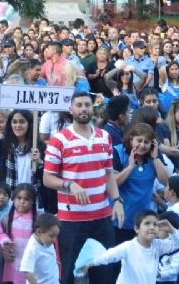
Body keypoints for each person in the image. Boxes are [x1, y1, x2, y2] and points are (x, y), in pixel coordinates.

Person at [42, 92, 124, 284]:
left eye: (87, 104)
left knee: (104, 273)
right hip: (71, 220)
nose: (83, 108)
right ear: (71, 109)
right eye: (78, 105)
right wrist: (68, 185)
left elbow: (108, 174)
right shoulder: (59, 140)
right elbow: (47, 178)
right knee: (70, 273)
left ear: (92, 108)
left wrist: (118, 200)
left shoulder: (104, 137)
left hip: (102, 217)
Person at [79, 210, 179, 284]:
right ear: (137, 229)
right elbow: (109, 255)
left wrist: (171, 230)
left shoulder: (158, 245)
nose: (151, 227)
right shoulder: (128, 247)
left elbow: (178, 243)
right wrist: (90, 264)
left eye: (155, 224)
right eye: (147, 223)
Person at [19, 213, 61, 284]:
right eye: (51, 236)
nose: (54, 240)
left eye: (56, 236)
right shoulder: (32, 249)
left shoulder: (45, 241)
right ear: (39, 232)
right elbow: (27, 271)